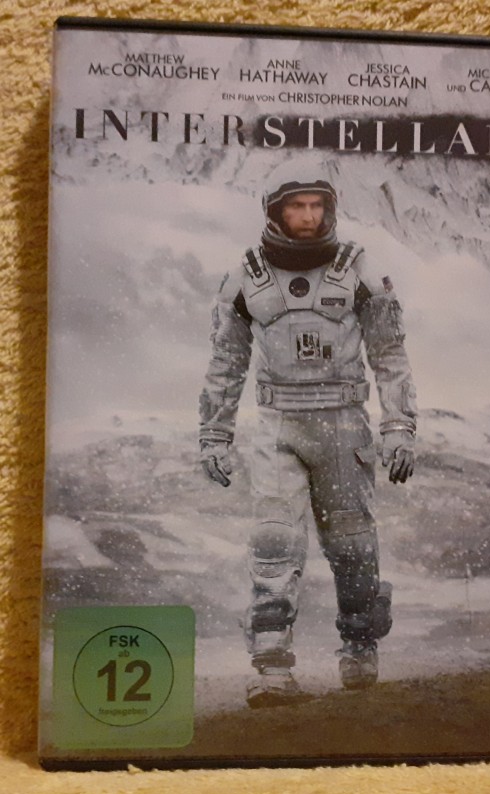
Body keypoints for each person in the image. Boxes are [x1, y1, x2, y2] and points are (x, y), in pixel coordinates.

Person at [199, 158, 417, 708]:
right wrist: (214, 435)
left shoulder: (360, 271)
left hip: (343, 424)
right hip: (280, 426)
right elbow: (225, 365)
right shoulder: (246, 277)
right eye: (297, 206)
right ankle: (271, 666)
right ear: (275, 211)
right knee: (274, 541)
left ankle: (360, 644)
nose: (309, 216)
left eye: (317, 205)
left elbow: (390, 356)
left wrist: (399, 427)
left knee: (351, 544)